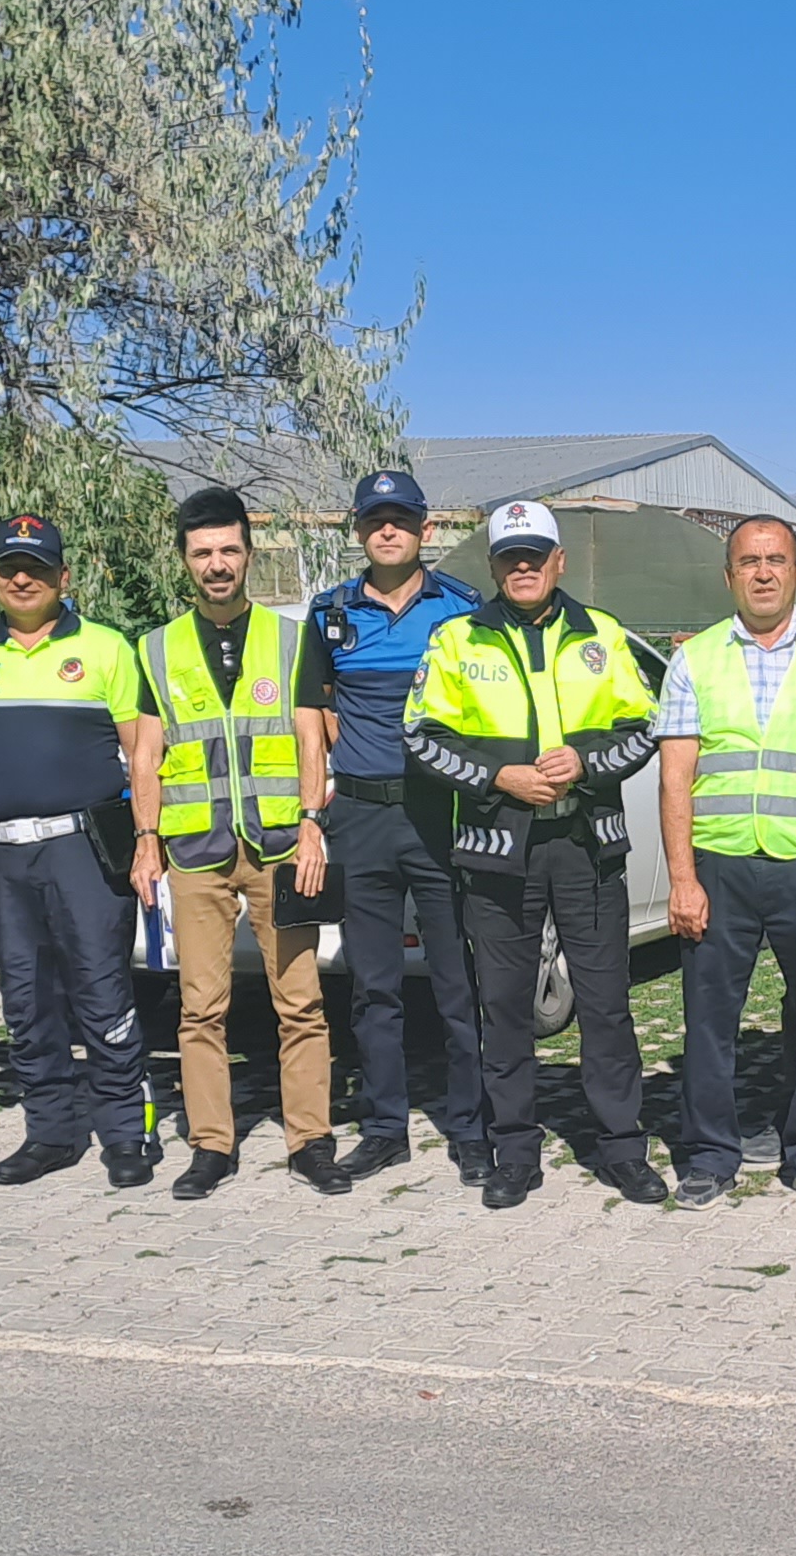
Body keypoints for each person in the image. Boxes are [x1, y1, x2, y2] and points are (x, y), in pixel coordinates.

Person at [405, 500, 667, 1209]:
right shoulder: (457, 640)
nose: (523, 567)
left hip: (587, 845)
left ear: (558, 561)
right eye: (510, 556)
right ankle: (514, 1149)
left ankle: (620, 1146)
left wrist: (584, 762)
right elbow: (422, 736)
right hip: (498, 851)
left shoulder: (603, 634)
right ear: (494, 565)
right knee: (507, 1007)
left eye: (535, 555)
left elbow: (647, 724)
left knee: (607, 1006)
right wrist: (499, 776)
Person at [0, 512, 161, 1191]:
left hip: (79, 850)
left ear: (64, 576)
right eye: (8, 567)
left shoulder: (108, 647)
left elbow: (141, 749)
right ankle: (50, 1131)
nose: (21, 577)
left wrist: (147, 837)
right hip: (0, 858)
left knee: (102, 992)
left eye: (36, 566)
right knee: (24, 999)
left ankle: (125, 1131)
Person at [653, 514, 796, 1214]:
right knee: (708, 1020)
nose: (762, 572)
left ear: (795, 572)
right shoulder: (694, 659)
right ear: (729, 575)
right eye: (749, 561)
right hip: (720, 867)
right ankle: (709, 1156)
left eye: (776, 559)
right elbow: (675, 775)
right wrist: (683, 877)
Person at [132, 487, 350, 1201]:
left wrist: (315, 821)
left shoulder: (291, 638)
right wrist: (144, 839)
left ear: (249, 555)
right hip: (194, 851)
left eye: (229, 549)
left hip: (282, 846)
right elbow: (145, 754)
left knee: (300, 1001)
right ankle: (211, 1145)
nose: (217, 564)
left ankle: (311, 1140)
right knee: (200, 1008)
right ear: (185, 561)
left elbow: (313, 737)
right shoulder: (156, 648)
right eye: (203, 553)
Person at [304, 469, 491, 1187]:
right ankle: (385, 1128)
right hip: (360, 813)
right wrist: (313, 812)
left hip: (439, 813)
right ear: (358, 530)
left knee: (453, 979)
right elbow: (314, 714)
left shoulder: (463, 608)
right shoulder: (329, 612)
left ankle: (469, 1128)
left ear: (425, 530)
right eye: (375, 519)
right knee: (374, 985)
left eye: (401, 519)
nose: (388, 530)